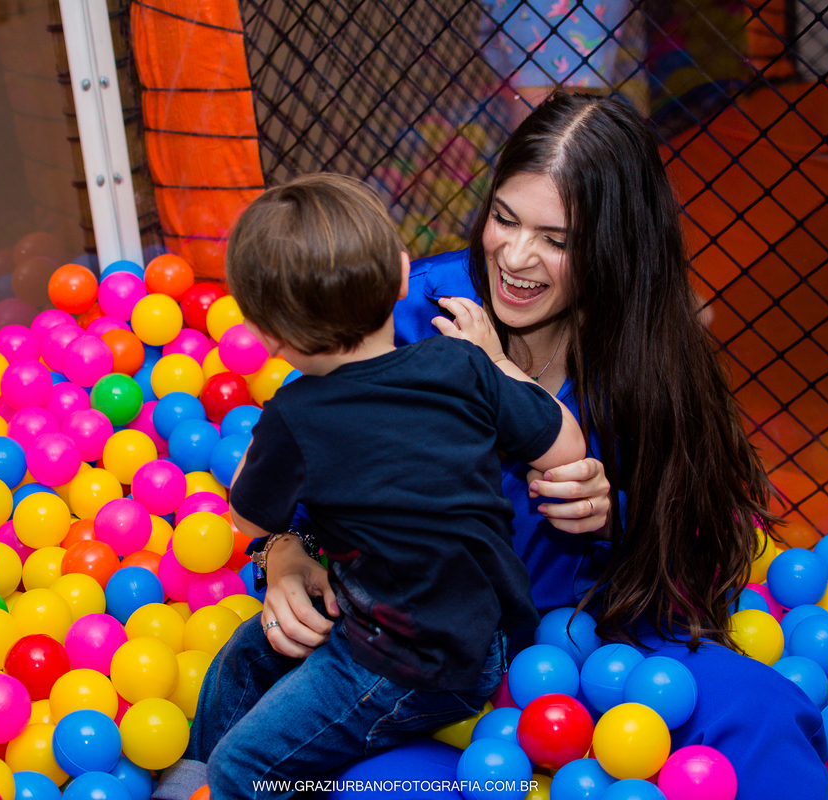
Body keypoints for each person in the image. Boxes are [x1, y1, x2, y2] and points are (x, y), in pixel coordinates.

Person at [221, 93, 828, 798]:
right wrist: (285, 555)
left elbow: (691, 545)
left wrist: (611, 515)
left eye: (557, 239)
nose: (515, 256)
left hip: (589, 639)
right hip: (419, 659)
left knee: (758, 713)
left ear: (613, 248)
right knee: (390, 783)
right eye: (504, 219)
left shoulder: (652, 359)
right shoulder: (412, 312)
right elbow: (301, 467)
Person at [185, 172, 588, 799]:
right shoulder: (462, 363)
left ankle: (207, 779)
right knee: (251, 651)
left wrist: (257, 471)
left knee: (245, 769)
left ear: (269, 338)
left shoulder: (295, 417)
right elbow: (565, 445)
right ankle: (190, 778)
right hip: (489, 629)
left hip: (408, 663)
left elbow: (250, 520)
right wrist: (500, 366)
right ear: (403, 276)